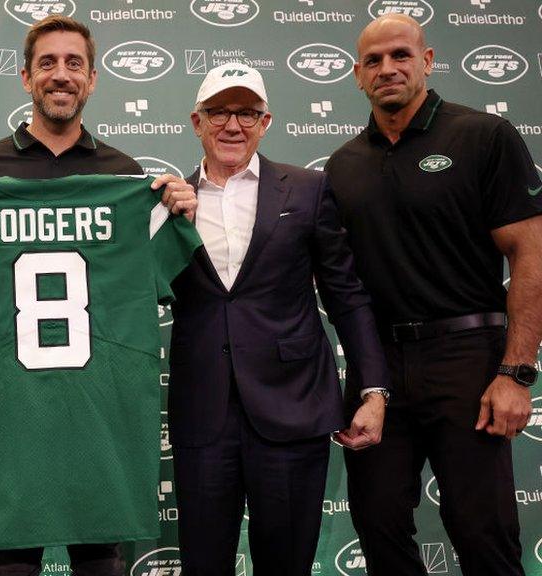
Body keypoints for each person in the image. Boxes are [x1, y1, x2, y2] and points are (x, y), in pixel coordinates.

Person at [0, 15, 196, 576]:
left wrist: (177, 213)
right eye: (47, 63)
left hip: (98, 416)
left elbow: (168, 291)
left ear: (91, 80)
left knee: (100, 558)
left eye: (73, 64)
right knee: (11, 561)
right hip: (8, 417)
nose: (60, 75)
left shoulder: (126, 178)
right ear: (24, 78)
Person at [325, 14, 542, 576]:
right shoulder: (343, 165)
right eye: (373, 60)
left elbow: (530, 253)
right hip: (380, 368)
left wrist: (516, 372)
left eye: (400, 55)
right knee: (377, 525)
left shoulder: (482, 136)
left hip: (468, 359)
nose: (387, 68)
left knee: (482, 529)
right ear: (356, 75)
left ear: (427, 60)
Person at [167, 62, 390, 576]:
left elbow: (347, 295)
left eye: (247, 113)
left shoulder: (309, 189)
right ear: (196, 121)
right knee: (203, 565)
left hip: (293, 409)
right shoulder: (167, 201)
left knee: (287, 563)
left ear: (266, 122)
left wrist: (374, 390)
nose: (232, 125)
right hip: (203, 415)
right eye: (219, 112)